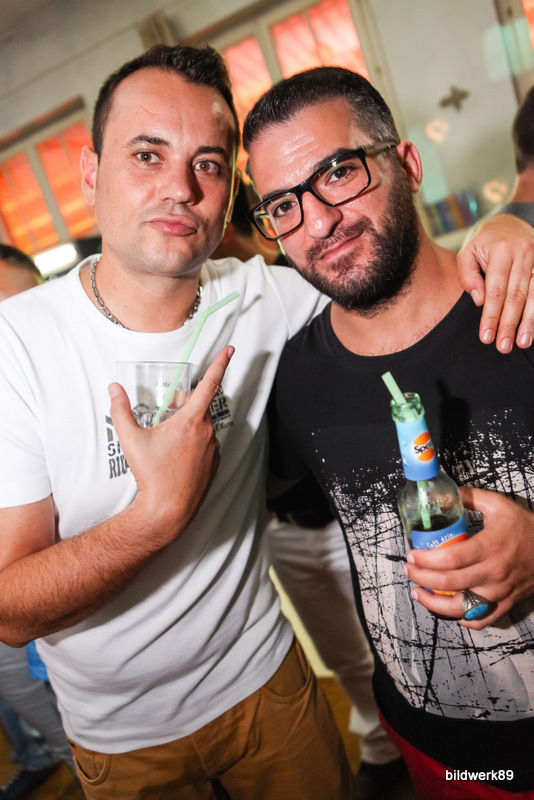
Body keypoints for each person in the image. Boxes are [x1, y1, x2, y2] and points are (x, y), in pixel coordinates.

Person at [0, 44, 531, 800]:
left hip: (272, 689)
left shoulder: (269, 298)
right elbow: (9, 611)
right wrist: (157, 515)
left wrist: (510, 225)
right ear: (90, 173)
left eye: (209, 163)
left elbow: (391, 274)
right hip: (121, 736)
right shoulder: (17, 345)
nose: (180, 187)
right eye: (147, 155)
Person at [243, 66, 534, 799]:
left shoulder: (521, 305)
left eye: (338, 172)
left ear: (406, 163)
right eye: (283, 205)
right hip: (435, 749)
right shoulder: (294, 383)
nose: (318, 222)